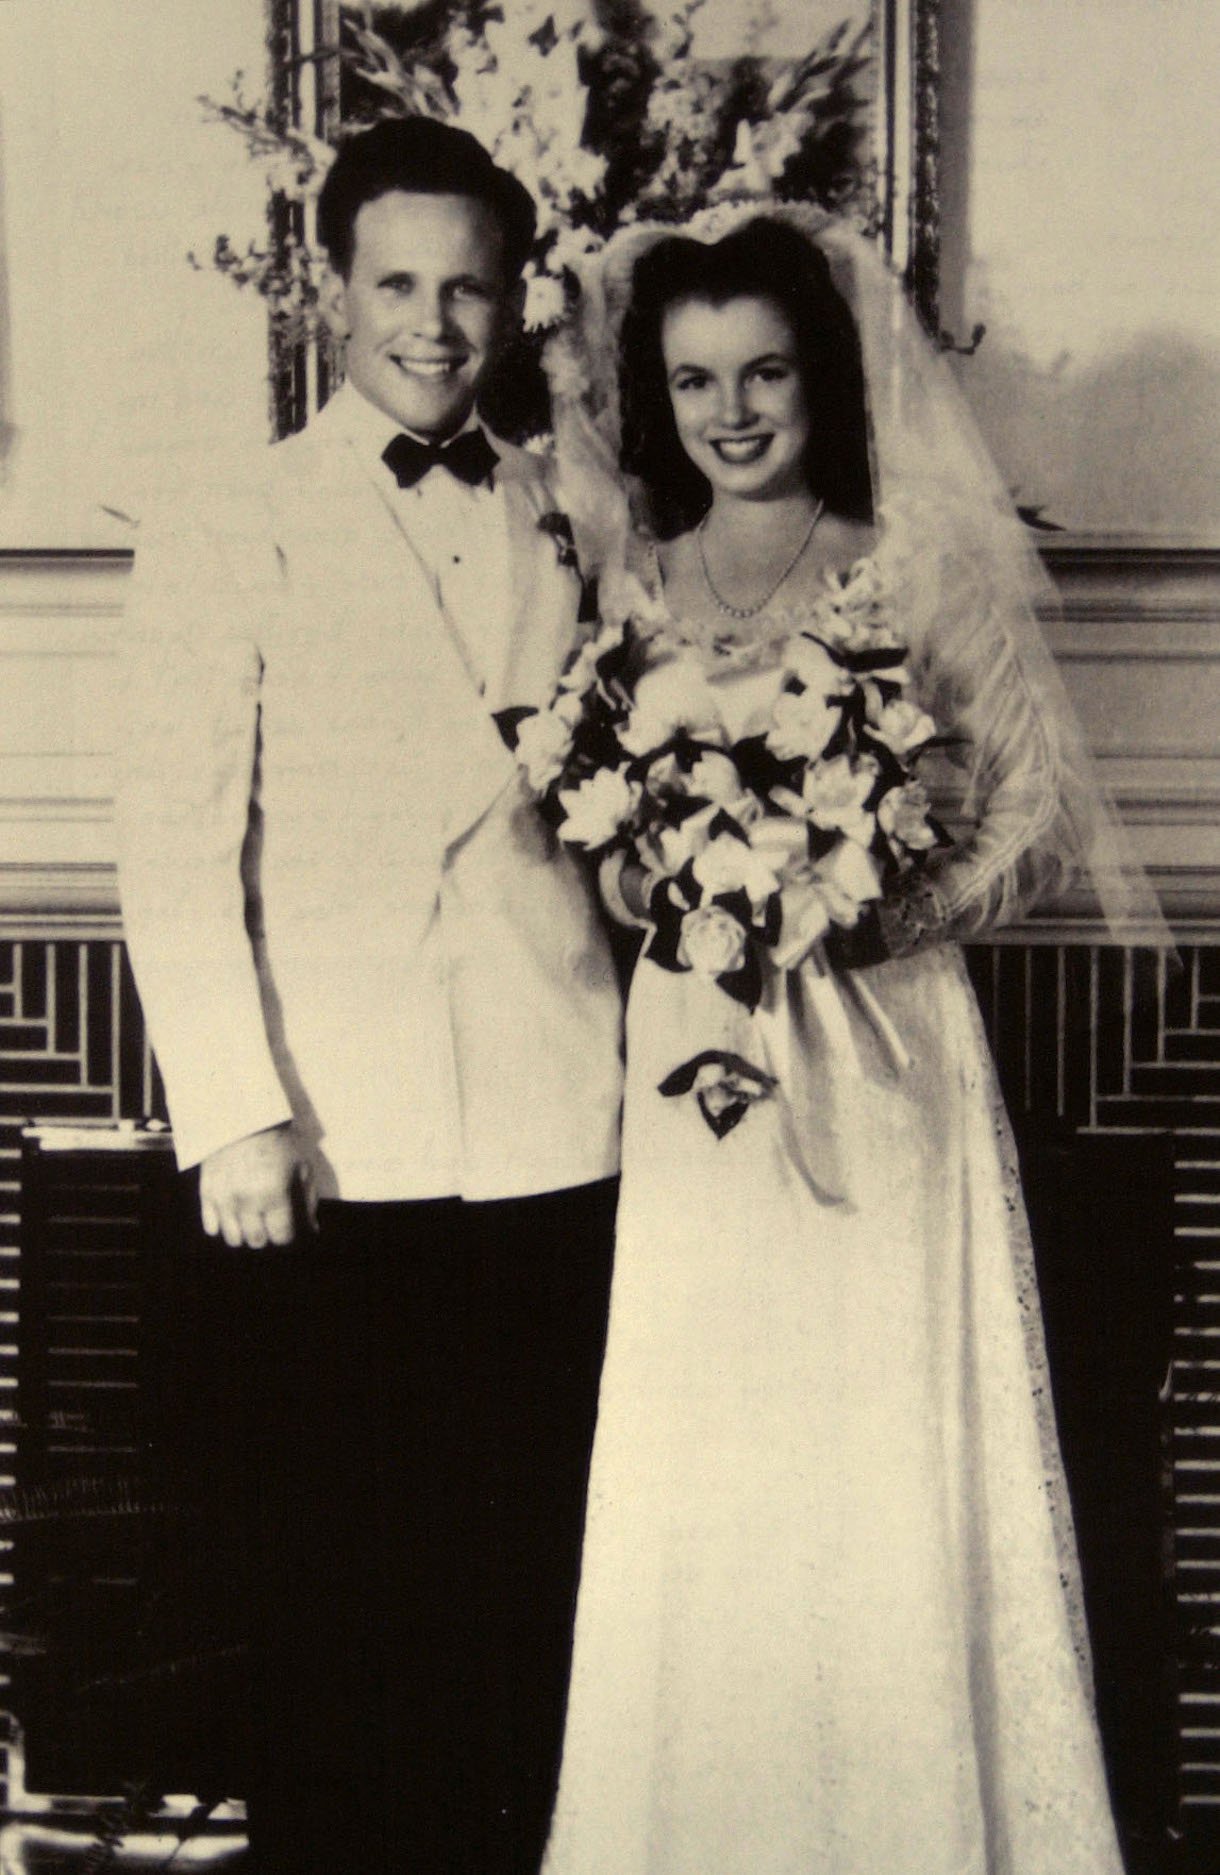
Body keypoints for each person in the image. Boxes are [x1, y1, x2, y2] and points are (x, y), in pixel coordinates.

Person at [537, 208, 1157, 1873]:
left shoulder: (913, 569)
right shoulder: (624, 583)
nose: (731, 413)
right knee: (708, 1430)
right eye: (691, 383)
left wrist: (866, 907)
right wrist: (652, 870)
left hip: (878, 1050)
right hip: (697, 1056)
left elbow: (1027, 818)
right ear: (652, 399)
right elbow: (585, 814)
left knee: (867, 1424)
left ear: (822, 376)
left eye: (764, 374)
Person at [115, 117, 623, 1875]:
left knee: (527, 1586)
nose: (433, 320)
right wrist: (237, 1114)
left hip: (567, 1116)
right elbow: (172, 842)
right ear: (332, 293)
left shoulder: (583, 508)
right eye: (397, 282)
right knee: (336, 1596)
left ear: (516, 301)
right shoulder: (231, 519)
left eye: (469, 285)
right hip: (338, 1140)